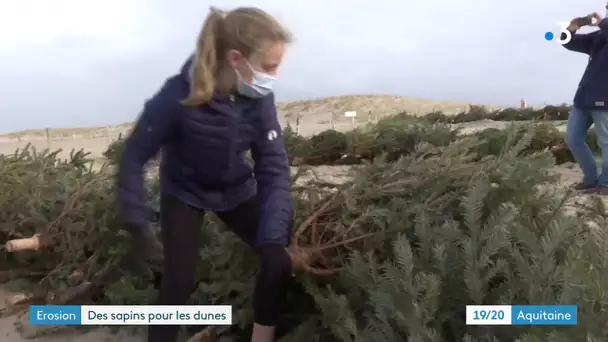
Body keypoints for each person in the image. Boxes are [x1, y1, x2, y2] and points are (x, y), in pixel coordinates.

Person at [116, 6, 293, 342]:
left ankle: (262, 336)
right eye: (270, 66)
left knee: (279, 256)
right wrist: (138, 224)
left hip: (236, 189)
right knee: (178, 283)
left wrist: (272, 239)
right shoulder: (176, 95)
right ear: (236, 59)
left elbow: (273, 166)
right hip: (184, 192)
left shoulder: (259, 99)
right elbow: (134, 157)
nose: (275, 76)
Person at [562, 12, 608, 194]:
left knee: (606, 143)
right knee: (573, 138)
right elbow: (568, 43)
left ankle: (605, 184)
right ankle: (590, 180)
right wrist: (571, 29)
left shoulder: (604, 29)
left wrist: (603, 23)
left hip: (605, 101)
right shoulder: (599, 36)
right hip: (584, 98)